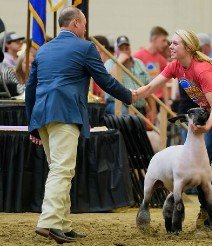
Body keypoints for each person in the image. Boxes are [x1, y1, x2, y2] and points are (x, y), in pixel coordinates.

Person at [25, 7, 137, 244]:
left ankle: (63, 224)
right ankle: (50, 222)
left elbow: (30, 89)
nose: (85, 30)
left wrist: (32, 125)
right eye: (84, 25)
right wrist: (130, 96)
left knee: (60, 168)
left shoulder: (43, 50)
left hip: (42, 115)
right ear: (76, 23)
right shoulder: (85, 47)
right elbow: (104, 80)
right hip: (65, 113)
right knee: (62, 170)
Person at [136, 29, 212, 234]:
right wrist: (134, 94)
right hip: (209, 115)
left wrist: (206, 127)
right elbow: (151, 86)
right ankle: (205, 213)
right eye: (171, 43)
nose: (170, 46)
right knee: (204, 168)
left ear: (187, 48)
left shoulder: (202, 70)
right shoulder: (176, 66)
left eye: (175, 44)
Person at [105, 35, 154, 117]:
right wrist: (119, 61)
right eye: (121, 49)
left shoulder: (139, 63)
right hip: (117, 104)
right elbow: (107, 81)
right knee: (125, 115)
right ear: (116, 51)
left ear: (130, 49)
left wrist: (153, 110)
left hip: (139, 106)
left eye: (126, 48)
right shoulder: (110, 63)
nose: (124, 51)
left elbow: (148, 87)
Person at [134, 26, 170, 108]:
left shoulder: (162, 60)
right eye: (163, 40)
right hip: (144, 98)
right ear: (154, 39)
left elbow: (164, 84)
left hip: (159, 99)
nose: (165, 44)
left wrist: (167, 104)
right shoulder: (137, 56)